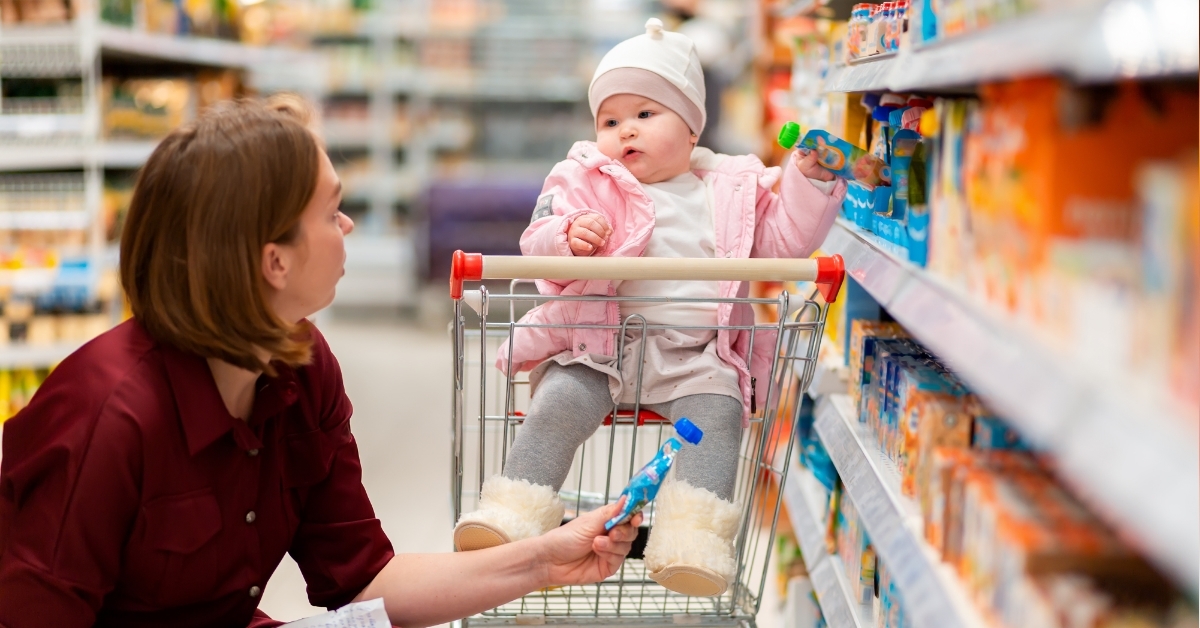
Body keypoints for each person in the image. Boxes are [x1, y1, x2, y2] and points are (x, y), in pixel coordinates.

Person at [0, 96, 641, 628]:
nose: (349, 226)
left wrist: (542, 562)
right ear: (273, 261)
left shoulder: (300, 368)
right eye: (332, 210)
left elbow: (364, 579)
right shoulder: (107, 418)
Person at [453, 19, 846, 598]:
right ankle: (513, 512)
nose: (624, 132)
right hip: (601, 347)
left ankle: (692, 541)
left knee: (720, 415)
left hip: (698, 355)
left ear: (691, 130)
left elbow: (784, 241)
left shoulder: (728, 190)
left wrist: (806, 185)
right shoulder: (583, 178)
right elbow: (537, 238)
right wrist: (567, 236)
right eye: (609, 121)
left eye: (644, 114)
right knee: (558, 401)